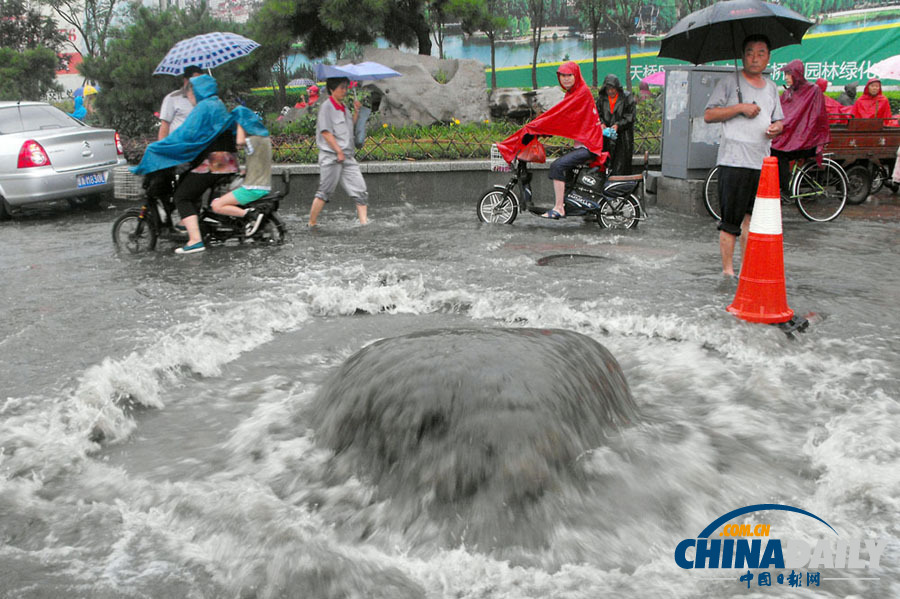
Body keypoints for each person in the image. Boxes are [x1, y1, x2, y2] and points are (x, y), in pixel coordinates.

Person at [704, 34, 784, 277]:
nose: (755, 58)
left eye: (761, 53)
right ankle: (728, 272)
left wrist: (777, 128)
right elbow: (709, 115)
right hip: (733, 161)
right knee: (731, 221)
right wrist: (740, 107)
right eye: (749, 52)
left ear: (768, 57)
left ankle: (747, 270)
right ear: (742, 56)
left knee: (752, 220)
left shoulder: (771, 87)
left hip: (761, 162)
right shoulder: (730, 82)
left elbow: (779, 119)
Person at [132, 75, 238, 255]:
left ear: (197, 91)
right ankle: (192, 226)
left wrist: (158, 148)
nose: (190, 98)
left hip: (215, 162)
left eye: (190, 93)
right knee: (185, 182)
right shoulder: (216, 104)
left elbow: (185, 134)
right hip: (226, 160)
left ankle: (195, 240)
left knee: (182, 195)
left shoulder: (204, 107)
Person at [495, 61, 605, 220]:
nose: (566, 79)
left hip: (589, 146)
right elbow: (568, 120)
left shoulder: (581, 93)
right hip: (584, 144)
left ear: (577, 76)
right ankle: (573, 205)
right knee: (565, 170)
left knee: (557, 166)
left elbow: (556, 116)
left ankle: (559, 208)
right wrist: (545, 130)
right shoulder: (573, 93)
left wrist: (536, 127)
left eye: (569, 75)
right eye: (562, 76)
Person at [308, 77, 369, 226]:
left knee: (360, 190)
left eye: (345, 87)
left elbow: (350, 128)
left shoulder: (344, 108)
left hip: (347, 156)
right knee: (325, 192)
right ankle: (311, 223)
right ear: (331, 89)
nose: (344, 91)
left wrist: (356, 112)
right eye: (341, 88)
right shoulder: (326, 107)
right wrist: (338, 151)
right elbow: (326, 132)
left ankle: (363, 223)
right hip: (331, 157)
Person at [769, 61, 830, 198]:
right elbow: (780, 113)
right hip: (792, 137)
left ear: (797, 74)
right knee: (772, 149)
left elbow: (816, 117)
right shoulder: (788, 92)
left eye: (788, 74)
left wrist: (794, 130)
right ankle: (780, 186)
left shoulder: (814, 91)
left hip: (809, 140)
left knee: (779, 153)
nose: (785, 77)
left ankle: (785, 190)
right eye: (785, 74)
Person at [210, 106, 272, 236]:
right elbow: (259, 159)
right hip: (263, 185)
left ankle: (249, 215)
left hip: (252, 188)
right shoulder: (265, 139)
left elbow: (239, 141)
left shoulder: (254, 140)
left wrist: (239, 122)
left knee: (217, 205)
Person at [596, 73, 637, 176]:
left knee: (621, 166)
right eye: (608, 89)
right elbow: (597, 113)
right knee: (606, 164)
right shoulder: (602, 99)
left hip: (623, 138)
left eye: (613, 89)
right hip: (606, 138)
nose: (610, 91)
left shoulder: (626, 97)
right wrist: (601, 123)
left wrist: (618, 125)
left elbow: (630, 116)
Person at [158, 65, 204, 140]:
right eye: (195, 80)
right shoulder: (172, 98)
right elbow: (165, 125)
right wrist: (162, 148)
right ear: (186, 81)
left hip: (199, 144)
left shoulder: (205, 98)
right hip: (178, 145)